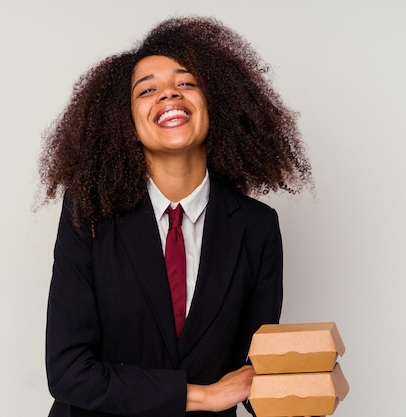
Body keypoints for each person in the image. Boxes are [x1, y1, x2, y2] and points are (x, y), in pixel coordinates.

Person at [39, 16, 313, 417]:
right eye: (147, 90)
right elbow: (67, 372)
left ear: (214, 102)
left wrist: (304, 392)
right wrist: (200, 397)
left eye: (186, 83)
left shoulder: (257, 228)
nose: (168, 94)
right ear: (126, 123)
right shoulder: (89, 212)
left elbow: (249, 376)